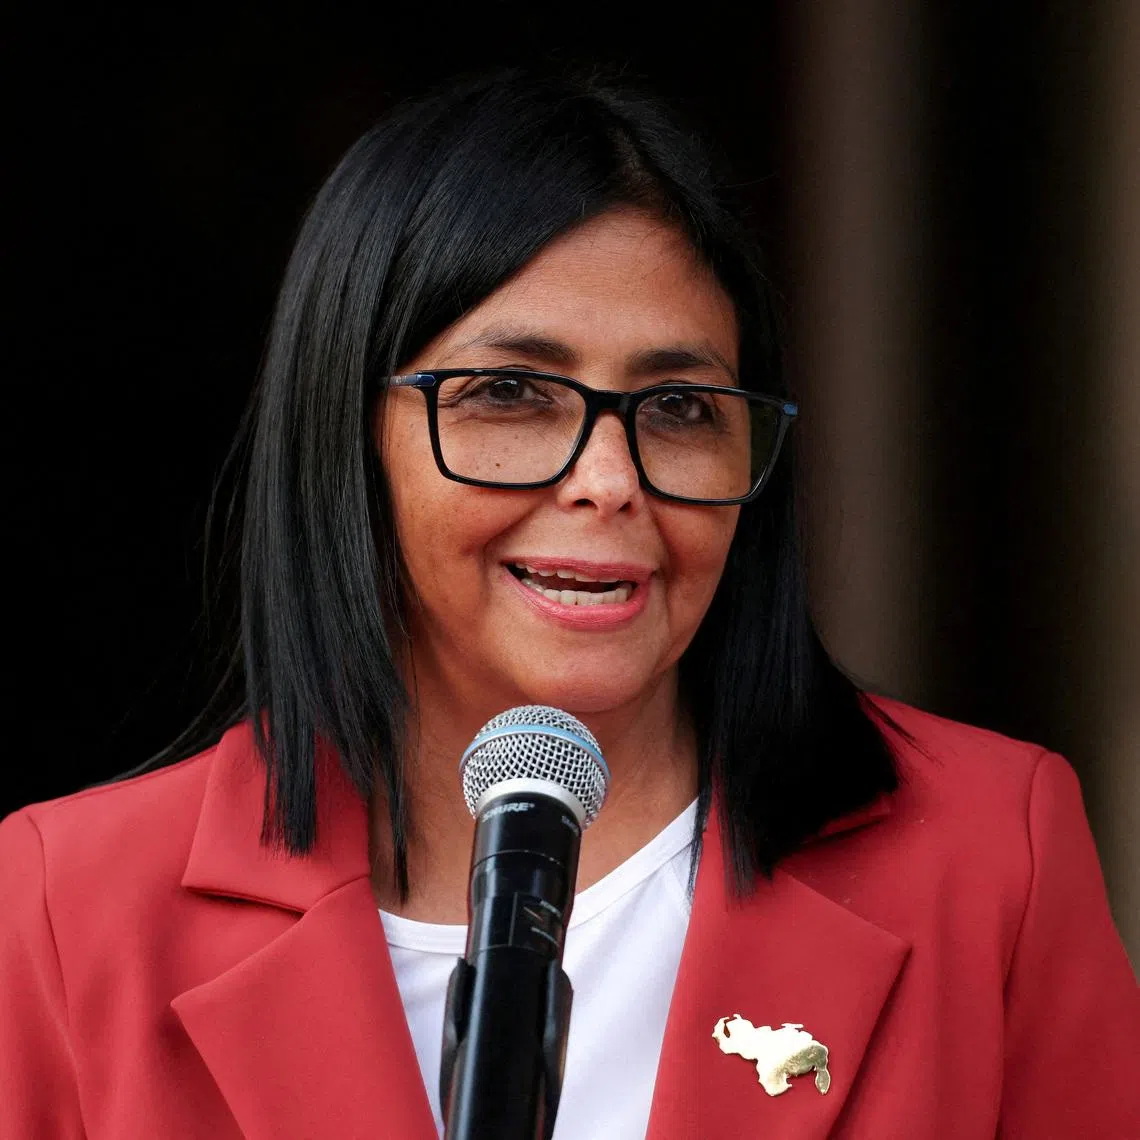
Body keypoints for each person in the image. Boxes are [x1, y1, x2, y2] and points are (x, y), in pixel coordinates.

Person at [1, 67, 1136, 1140]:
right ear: (344, 438)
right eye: (509, 395)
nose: (609, 481)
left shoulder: (989, 855)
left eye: (682, 407)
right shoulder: (72, 910)